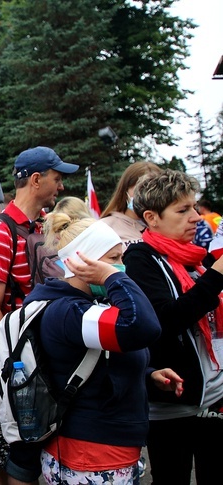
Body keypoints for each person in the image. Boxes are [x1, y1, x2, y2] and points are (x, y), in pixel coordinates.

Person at [32, 214, 182, 484]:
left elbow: (102, 360)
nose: (121, 267)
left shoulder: (87, 305)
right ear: (83, 262)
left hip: (105, 449)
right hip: (90, 452)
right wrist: (113, 278)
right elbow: (145, 326)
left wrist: (147, 374)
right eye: (113, 258)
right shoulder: (70, 311)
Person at [0, 146, 78, 485]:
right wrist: (10, 367)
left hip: (48, 352)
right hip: (24, 361)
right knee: (26, 448)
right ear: (36, 180)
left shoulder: (39, 225)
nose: (60, 187)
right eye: (56, 178)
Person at [124, 169, 223, 485]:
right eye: (182, 210)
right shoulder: (140, 258)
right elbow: (165, 320)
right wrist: (217, 275)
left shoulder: (196, 258)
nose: (196, 217)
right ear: (151, 217)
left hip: (215, 396)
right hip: (173, 404)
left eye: (194, 207)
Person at [100, 161, 162, 250]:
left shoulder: (168, 226)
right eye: (140, 189)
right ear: (125, 190)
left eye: (153, 191)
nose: (146, 196)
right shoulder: (105, 227)